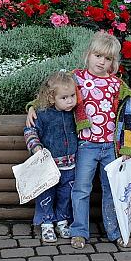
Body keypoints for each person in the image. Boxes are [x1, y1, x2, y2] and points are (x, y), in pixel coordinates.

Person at [27, 31, 131, 250]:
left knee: (111, 190)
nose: (101, 61)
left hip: (111, 148)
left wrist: (127, 146)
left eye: (107, 59)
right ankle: (79, 232)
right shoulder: (77, 78)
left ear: (113, 62)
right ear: (88, 55)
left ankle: (115, 232)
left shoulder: (118, 86)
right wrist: (32, 106)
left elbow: (128, 118)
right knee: (81, 189)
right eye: (97, 55)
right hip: (86, 145)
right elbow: (52, 92)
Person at [23, 71, 79, 244]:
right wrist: (36, 147)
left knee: (65, 195)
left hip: (70, 165)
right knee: (46, 194)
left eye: (72, 96)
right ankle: (46, 222)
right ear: (52, 98)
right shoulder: (43, 114)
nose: (70, 100)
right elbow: (30, 130)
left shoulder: (76, 113)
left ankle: (62, 220)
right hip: (49, 166)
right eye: (64, 97)